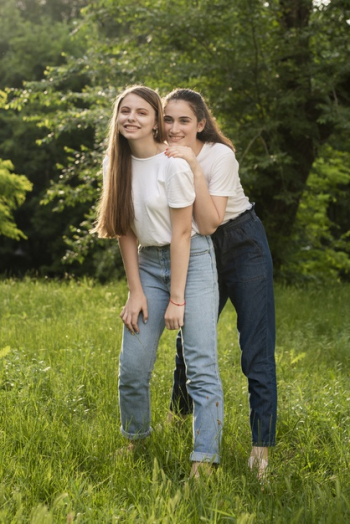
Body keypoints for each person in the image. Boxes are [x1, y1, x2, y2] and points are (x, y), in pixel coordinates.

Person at [92, 85, 223, 478]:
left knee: (199, 364)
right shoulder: (116, 166)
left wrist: (177, 299)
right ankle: (135, 439)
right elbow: (125, 231)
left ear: (154, 123)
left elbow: (184, 234)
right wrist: (135, 291)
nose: (130, 118)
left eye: (141, 113)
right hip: (147, 266)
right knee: (132, 365)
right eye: (124, 111)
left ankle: (205, 458)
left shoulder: (174, 165)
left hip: (192, 262)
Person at [163, 88, 277, 480]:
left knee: (256, 349)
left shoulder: (219, 155)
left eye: (184, 120)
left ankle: (260, 449)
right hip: (200, 250)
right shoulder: (160, 153)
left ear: (201, 123)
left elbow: (211, 221)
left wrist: (194, 166)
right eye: (168, 119)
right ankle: (179, 418)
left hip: (242, 244)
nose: (175, 128)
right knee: (189, 340)